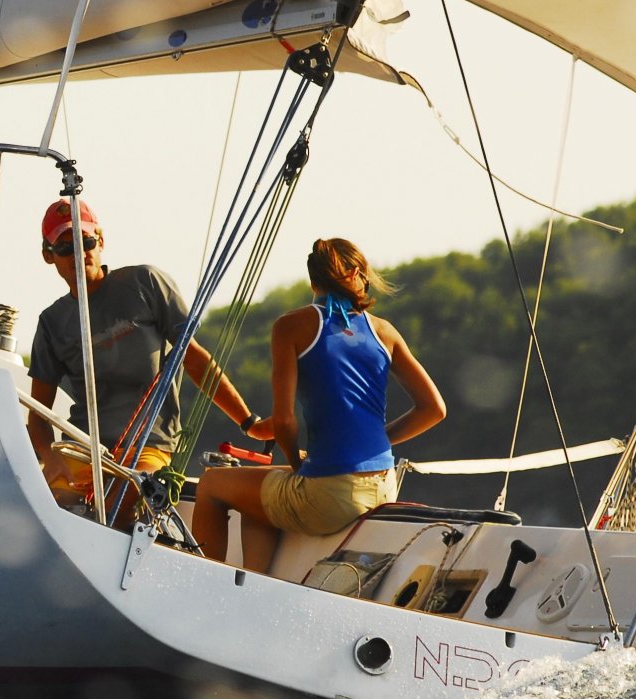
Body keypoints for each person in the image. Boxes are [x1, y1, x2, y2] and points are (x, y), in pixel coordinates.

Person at [191, 237, 446, 572]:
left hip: (332, 496)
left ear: (313, 280)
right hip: (385, 487)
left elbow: (285, 423)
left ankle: (199, 584)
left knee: (212, 484)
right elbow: (434, 409)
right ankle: (252, 581)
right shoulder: (385, 331)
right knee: (260, 493)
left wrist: (297, 461)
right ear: (356, 274)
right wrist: (376, 442)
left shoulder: (291, 326)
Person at [26, 198, 265, 526]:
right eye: (65, 247)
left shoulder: (146, 283)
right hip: (82, 449)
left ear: (101, 240)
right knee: (43, 511)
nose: (79, 253)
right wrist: (50, 458)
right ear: (48, 256)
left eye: (87, 241)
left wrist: (249, 422)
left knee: (116, 508)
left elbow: (195, 361)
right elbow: (38, 415)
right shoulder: (52, 322)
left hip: (148, 448)